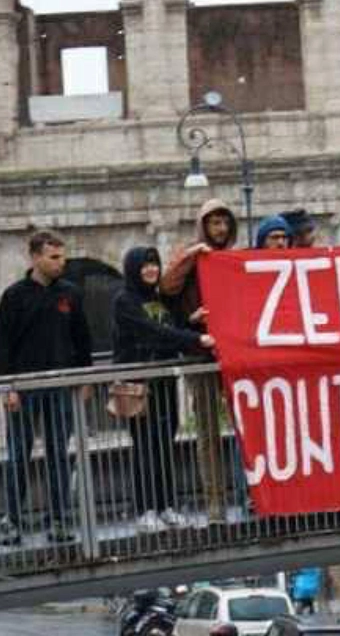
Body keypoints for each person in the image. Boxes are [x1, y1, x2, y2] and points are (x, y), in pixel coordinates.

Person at [0, 231, 93, 546]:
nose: (60, 263)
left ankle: (59, 519)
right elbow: (0, 346)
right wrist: (7, 386)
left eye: (62, 257)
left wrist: (84, 378)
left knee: (58, 455)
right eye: (53, 257)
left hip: (61, 388)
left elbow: (82, 340)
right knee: (18, 454)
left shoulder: (71, 294)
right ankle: (12, 519)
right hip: (23, 388)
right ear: (35, 257)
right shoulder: (14, 296)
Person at [112, 247, 215, 533]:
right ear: (133, 269)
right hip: (138, 384)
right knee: (144, 446)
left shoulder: (158, 299)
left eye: (154, 264)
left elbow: (168, 328)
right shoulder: (125, 300)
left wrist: (189, 322)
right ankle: (145, 509)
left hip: (165, 380)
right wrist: (196, 339)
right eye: (145, 265)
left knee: (165, 445)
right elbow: (153, 333)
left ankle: (167, 505)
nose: (151, 270)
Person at [159, 198, 238, 524]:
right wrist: (194, 256)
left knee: (245, 428)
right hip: (199, 355)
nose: (219, 229)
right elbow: (167, 286)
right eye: (213, 223)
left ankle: (250, 497)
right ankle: (215, 506)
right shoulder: (190, 260)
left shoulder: (232, 258)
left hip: (233, 355)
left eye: (224, 223)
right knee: (207, 434)